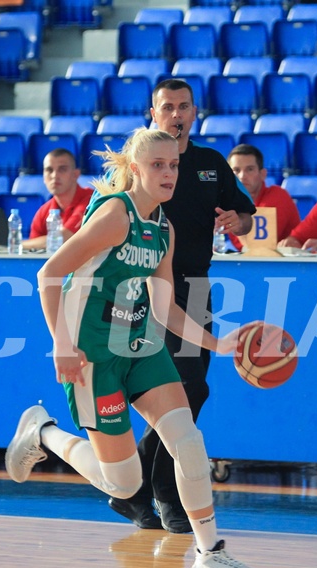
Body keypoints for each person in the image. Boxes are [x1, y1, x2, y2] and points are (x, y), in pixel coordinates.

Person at [5, 127, 260, 568]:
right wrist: (63, 344)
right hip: (95, 355)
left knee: (188, 442)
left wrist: (218, 343)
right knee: (124, 483)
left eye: (174, 165)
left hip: (141, 345)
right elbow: (48, 274)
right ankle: (42, 434)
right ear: (136, 170)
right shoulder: (115, 217)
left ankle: (210, 553)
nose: (168, 173)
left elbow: (164, 306)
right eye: (158, 165)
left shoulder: (163, 227)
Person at [108, 78, 255, 534]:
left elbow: (247, 219)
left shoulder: (211, 164)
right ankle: (163, 495)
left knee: (190, 390)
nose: (175, 114)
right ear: (153, 113)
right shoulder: (138, 167)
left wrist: (237, 220)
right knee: (167, 393)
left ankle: (136, 488)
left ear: (195, 112)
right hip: (135, 289)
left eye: (183, 106)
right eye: (167, 106)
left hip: (191, 288)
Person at [226, 143, 301, 250]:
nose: (242, 176)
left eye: (250, 169)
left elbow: (258, 248)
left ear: (263, 174)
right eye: (236, 170)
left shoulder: (278, 196)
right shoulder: (230, 201)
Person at [22, 148, 94, 251]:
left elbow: (66, 238)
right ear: (43, 176)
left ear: (75, 175)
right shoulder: (43, 211)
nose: (54, 175)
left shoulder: (90, 200)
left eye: (62, 169)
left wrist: (17, 244)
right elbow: (34, 249)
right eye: (49, 170)